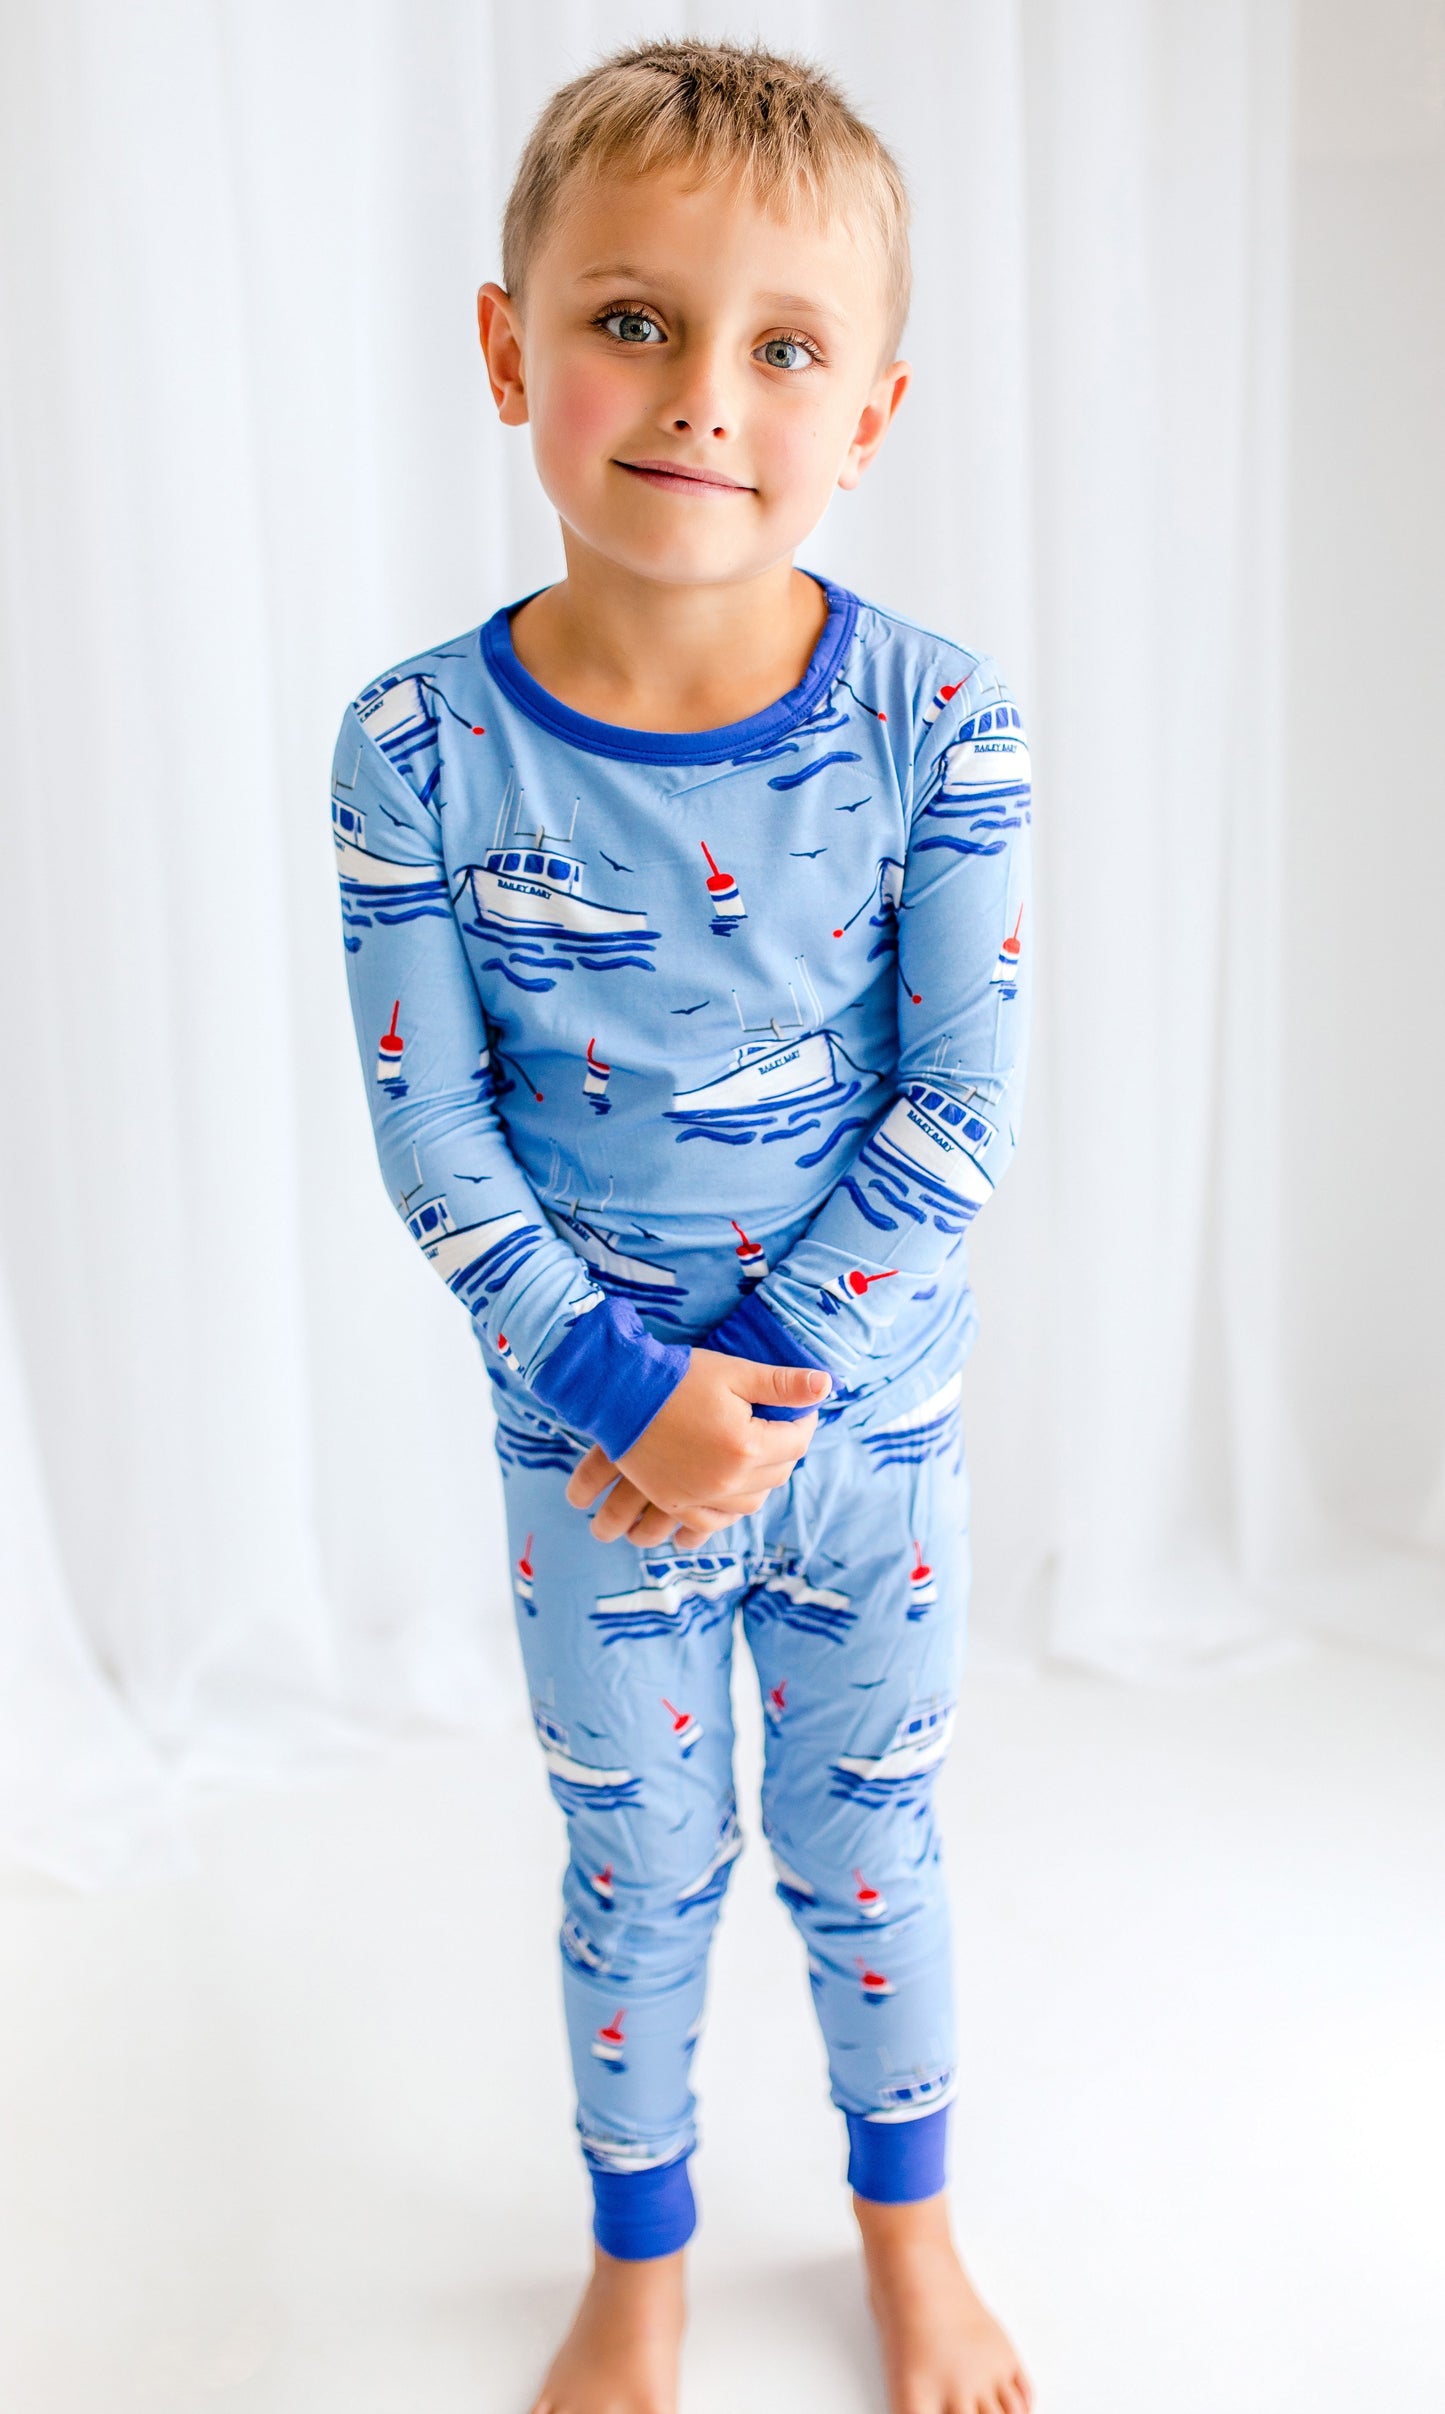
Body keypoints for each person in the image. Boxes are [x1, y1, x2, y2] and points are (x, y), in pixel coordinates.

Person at [333, 38, 1033, 2414]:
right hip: (591, 1457)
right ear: (513, 343)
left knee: (870, 1841)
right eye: (633, 318)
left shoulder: (947, 723)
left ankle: (904, 2235)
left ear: (874, 409)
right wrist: (634, 1397)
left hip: (865, 1444)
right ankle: (641, 2255)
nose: (703, 392)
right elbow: (441, 1147)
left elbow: (956, 1111)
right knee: (636, 1870)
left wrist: (759, 1391)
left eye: (785, 343)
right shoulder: (417, 748)